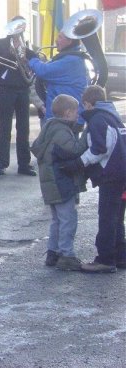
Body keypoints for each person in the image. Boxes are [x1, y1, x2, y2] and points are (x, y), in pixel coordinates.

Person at [59, 85, 126, 273]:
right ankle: (121, 256)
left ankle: (105, 259)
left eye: (84, 105)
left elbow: (99, 148)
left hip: (111, 174)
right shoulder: (113, 117)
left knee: (107, 217)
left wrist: (78, 163)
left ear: (89, 103)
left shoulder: (97, 119)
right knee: (117, 216)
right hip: (121, 172)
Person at [30, 94, 87, 271]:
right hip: (61, 182)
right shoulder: (61, 131)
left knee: (57, 220)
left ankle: (52, 252)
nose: (78, 114)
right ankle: (66, 254)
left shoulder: (51, 126)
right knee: (68, 219)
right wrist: (86, 134)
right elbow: (74, 149)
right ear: (68, 113)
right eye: (76, 111)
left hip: (51, 183)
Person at [0, 16, 36, 176]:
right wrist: (10, 54)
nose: (21, 30)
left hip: (23, 88)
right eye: (19, 27)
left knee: (24, 128)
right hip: (6, 88)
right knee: (5, 127)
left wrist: (30, 56)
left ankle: (24, 164)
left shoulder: (25, 44)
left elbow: (34, 60)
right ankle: (2, 163)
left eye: (23, 27)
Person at [26, 30, 88, 129]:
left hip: (64, 118)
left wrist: (32, 58)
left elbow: (43, 71)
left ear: (70, 41)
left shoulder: (71, 60)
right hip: (63, 116)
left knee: (56, 143)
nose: (56, 40)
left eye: (60, 37)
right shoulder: (70, 58)